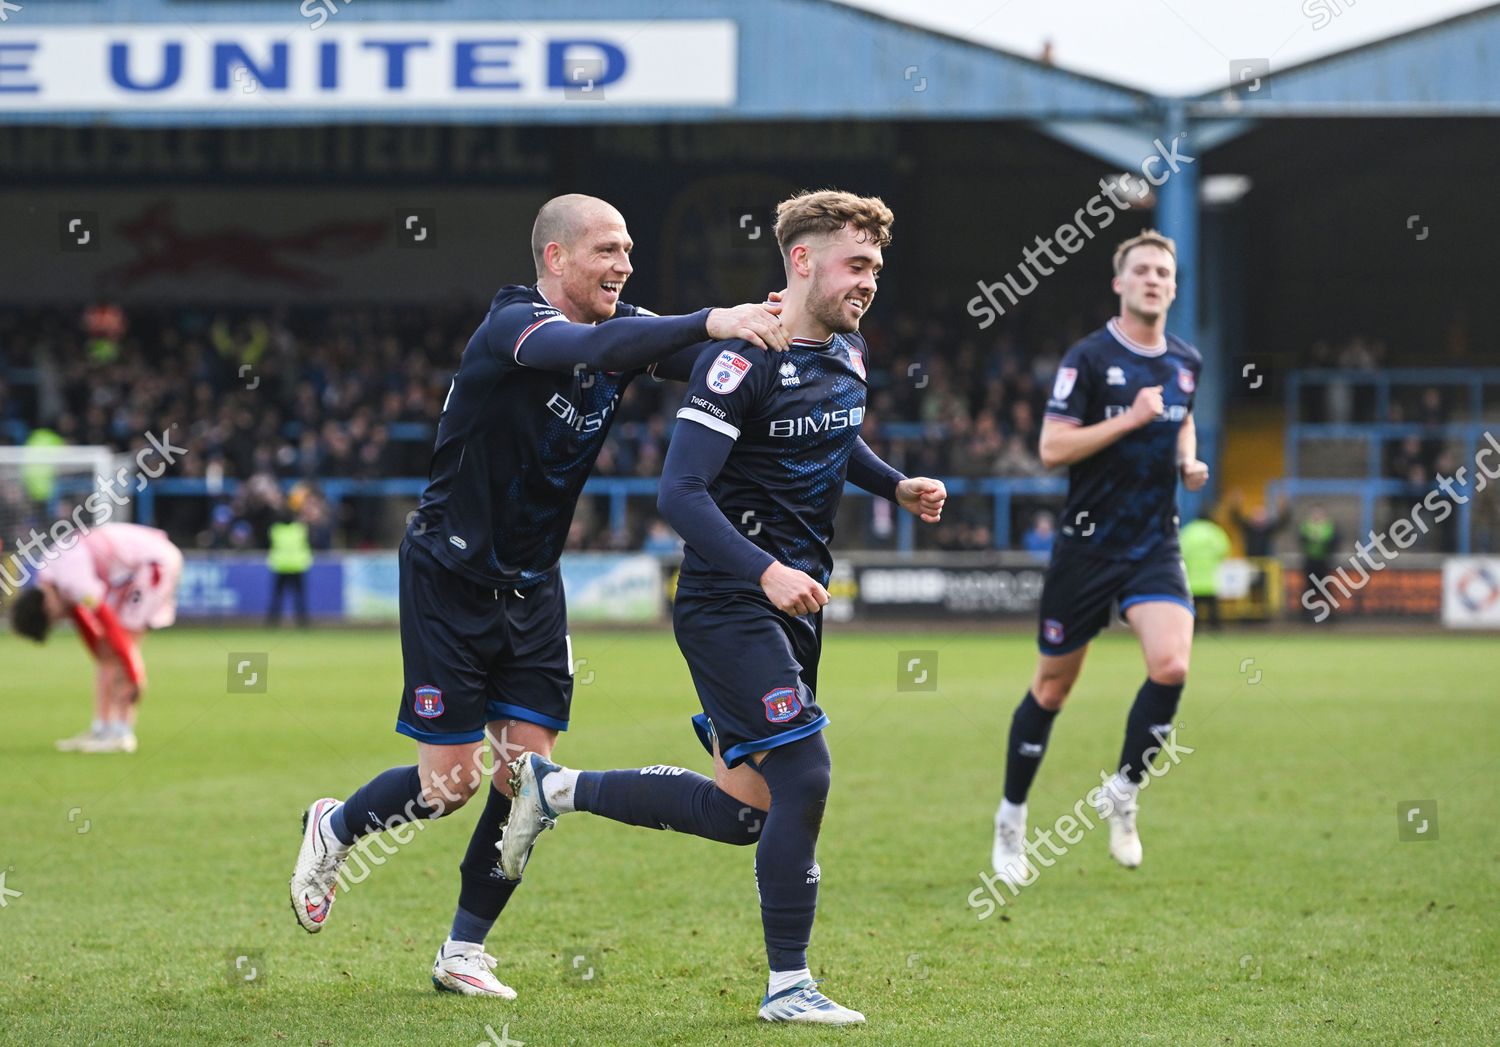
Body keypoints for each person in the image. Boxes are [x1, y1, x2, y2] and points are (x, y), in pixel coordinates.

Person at [286, 194, 788, 1000]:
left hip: (532, 587)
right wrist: (709, 318)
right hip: (449, 577)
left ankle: (463, 949)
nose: (624, 264)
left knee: (529, 783)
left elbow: (693, 358)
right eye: (606, 250)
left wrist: (782, 330)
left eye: (629, 249)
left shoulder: (621, 332)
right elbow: (615, 342)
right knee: (447, 785)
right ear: (556, 258)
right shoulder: (514, 326)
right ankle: (335, 826)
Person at [497, 191, 945, 1026]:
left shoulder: (848, 350)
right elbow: (681, 491)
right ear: (802, 262)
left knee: (745, 811)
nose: (870, 282)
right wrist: (766, 568)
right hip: (729, 599)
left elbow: (837, 434)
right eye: (857, 265)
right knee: (806, 772)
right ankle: (788, 985)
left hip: (791, 605)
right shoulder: (740, 360)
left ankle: (554, 790)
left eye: (877, 268)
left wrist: (896, 483)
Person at [990, 229, 1208, 887]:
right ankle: (1011, 816)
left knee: (1171, 665)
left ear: (1173, 286)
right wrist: (1130, 419)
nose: (1151, 279)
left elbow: (1184, 413)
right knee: (1053, 688)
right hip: (1086, 546)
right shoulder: (1087, 358)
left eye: (1162, 272)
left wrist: (1187, 456)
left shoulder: (1187, 361)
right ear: (1118, 282)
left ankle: (1124, 790)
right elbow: (1053, 449)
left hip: (1154, 544)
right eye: (1140, 269)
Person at [9, 522, 183, 753]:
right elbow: (87, 628)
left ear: (47, 608)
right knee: (109, 654)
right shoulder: (51, 576)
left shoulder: (72, 578)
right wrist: (103, 656)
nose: (60, 621)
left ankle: (122, 732)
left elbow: (110, 626)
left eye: (54, 621)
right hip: (132, 570)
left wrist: (134, 673)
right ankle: (102, 728)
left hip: (152, 564)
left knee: (123, 646)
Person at [265, 497, 314, 628]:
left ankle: (272, 623)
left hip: (281, 567)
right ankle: (303, 623)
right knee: (299, 597)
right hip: (297, 567)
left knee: (277, 597)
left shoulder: (275, 530)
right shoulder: (300, 529)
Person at [1179, 511, 1231, 630]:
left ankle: (1193, 629)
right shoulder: (1215, 532)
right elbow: (1224, 549)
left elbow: (1180, 551)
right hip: (1210, 579)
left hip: (1193, 580)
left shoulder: (1188, 531)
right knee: (1213, 609)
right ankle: (1216, 630)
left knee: (1192, 609)